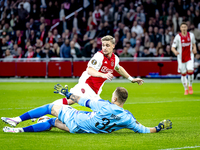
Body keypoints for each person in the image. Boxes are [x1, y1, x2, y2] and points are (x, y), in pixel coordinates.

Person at [1, 84, 172, 134]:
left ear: (114, 98)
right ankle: (20, 131)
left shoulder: (104, 105)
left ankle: (16, 120)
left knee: (51, 107)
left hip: (78, 120)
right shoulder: (128, 118)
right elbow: (144, 130)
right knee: (53, 122)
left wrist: (68, 93)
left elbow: (82, 100)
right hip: (81, 129)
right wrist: (159, 127)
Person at [54, 35, 144, 106]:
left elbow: (118, 68)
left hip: (96, 89)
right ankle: (48, 109)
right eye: (103, 45)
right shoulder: (99, 56)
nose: (104, 47)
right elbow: (90, 70)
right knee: (71, 100)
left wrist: (131, 79)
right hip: (87, 84)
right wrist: (103, 75)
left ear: (113, 46)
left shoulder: (115, 58)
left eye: (107, 45)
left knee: (98, 108)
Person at [171, 22, 197, 95]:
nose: (184, 28)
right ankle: (185, 89)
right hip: (181, 58)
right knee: (183, 74)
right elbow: (172, 47)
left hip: (190, 56)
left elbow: (194, 44)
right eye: (182, 27)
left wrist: (194, 49)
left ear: (187, 28)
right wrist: (175, 51)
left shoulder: (191, 35)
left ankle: (190, 85)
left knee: (191, 71)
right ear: (180, 28)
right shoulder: (177, 37)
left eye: (185, 27)